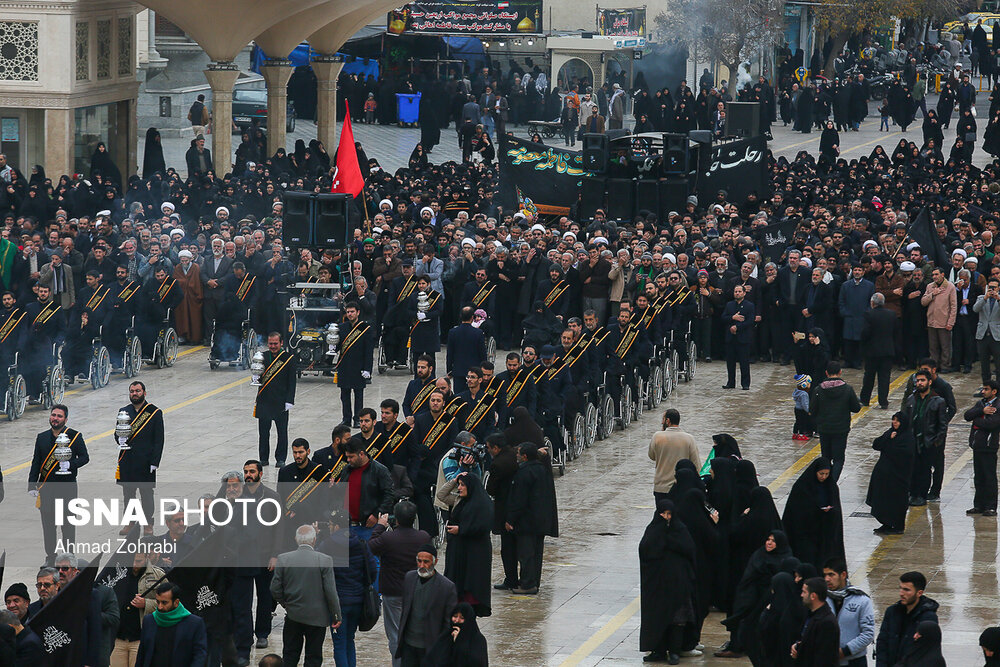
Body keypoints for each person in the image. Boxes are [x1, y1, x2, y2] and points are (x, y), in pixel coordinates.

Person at [369, 501, 431, 667]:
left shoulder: (389, 538)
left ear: (396, 519)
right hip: (418, 591)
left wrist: (380, 526)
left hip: (393, 591)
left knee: (395, 634)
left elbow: (371, 546)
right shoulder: (423, 537)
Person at [270, 525, 342, 667]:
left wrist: (286, 603)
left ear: (296, 539)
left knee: (290, 655)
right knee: (314, 657)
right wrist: (336, 614)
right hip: (318, 617)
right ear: (314, 540)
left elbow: (275, 588)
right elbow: (330, 591)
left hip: (293, 614)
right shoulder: (325, 560)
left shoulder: (284, 559)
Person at [27, 404, 88, 564]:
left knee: (67, 525)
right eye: (53, 415)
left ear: (65, 419)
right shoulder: (42, 437)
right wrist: (32, 484)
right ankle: (51, 557)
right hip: (47, 489)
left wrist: (71, 464)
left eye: (59, 416)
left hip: (67, 488)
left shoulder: (74, 436)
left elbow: (84, 457)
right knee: (48, 527)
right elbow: (36, 462)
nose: (55, 418)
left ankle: (68, 557)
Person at [639, 498, 697, 665]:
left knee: (677, 619)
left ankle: (674, 652)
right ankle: (658, 651)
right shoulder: (653, 530)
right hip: (657, 584)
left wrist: (669, 542)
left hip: (678, 584)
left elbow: (689, 550)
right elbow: (646, 550)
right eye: (663, 514)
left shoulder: (680, 530)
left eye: (669, 514)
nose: (666, 517)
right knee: (657, 618)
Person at [505, 442, 558, 595]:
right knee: (536, 554)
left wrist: (510, 519)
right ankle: (534, 581)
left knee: (526, 554)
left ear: (525, 456)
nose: (517, 455)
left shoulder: (523, 473)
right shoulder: (542, 470)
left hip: (526, 522)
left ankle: (527, 584)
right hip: (540, 520)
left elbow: (519, 500)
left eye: (519, 453)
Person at [396, 544, 458, 667]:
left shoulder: (447, 587)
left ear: (435, 562)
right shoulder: (409, 578)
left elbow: (448, 622)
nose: (422, 565)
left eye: (426, 562)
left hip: (430, 647)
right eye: (419, 561)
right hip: (409, 645)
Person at [116, 381, 164, 536]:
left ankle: (148, 524)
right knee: (128, 495)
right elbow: (117, 432)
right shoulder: (124, 411)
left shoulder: (154, 412)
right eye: (131, 391)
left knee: (146, 494)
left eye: (137, 391)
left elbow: (159, 440)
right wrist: (119, 440)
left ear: (144, 392)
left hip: (145, 462)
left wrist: (155, 462)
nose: (134, 394)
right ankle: (130, 522)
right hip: (127, 460)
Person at [443, 473, 494, 617]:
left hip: (475, 552)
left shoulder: (482, 503)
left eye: (462, 485)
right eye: (458, 484)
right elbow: (441, 495)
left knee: (472, 583)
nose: (459, 488)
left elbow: (483, 526)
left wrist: (461, 529)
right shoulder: (462, 501)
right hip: (460, 550)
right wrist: (454, 480)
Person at [781, 457, 845, 569]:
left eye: (826, 474)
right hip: (806, 533)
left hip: (824, 531)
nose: (823, 477)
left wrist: (830, 511)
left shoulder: (831, 487)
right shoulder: (802, 487)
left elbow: (836, 508)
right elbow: (796, 512)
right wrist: (816, 510)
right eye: (821, 473)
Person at [902, 370, 949, 507]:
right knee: (913, 468)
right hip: (913, 440)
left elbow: (942, 424)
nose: (919, 383)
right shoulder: (911, 398)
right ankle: (913, 493)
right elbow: (906, 418)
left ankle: (922, 494)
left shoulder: (938, 401)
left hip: (928, 441)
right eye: (918, 380)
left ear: (929, 382)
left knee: (925, 469)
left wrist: (937, 441)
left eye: (922, 380)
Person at [112, 548, 166, 667]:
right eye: (132, 560)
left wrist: (146, 603)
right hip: (118, 639)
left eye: (138, 561)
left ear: (147, 557)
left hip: (140, 638)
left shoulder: (158, 575)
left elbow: (169, 604)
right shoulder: (118, 574)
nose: (134, 565)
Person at [810, 362, 861, 482]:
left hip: (824, 428)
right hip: (841, 429)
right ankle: (832, 482)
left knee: (826, 457)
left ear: (826, 373)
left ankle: (825, 480)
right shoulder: (848, 389)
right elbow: (856, 408)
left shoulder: (818, 390)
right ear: (840, 372)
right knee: (838, 459)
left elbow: (812, 410)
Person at [135, 582, 208, 667]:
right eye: (158, 602)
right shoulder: (149, 620)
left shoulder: (194, 623)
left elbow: (199, 655)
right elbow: (142, 653)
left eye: (164, 602)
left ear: (176, 602)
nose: (160, 607)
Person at [874, 572, 939, 667]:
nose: (901, 593)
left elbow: (924, 651)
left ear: (919, 593)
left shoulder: (928, 617)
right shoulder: (892, 612)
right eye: (900, 588)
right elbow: (882, 643)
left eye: (906, 590)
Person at [866, 412, 915, 534]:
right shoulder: (890, 433)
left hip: (898, 477)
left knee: (896, 501)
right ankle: (886, 523)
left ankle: (897, 526)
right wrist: (888, 438)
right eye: (893, 420)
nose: (894, 423)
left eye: (897, 421)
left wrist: (888, 444)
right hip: (884, 474)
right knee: (883, 499)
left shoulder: (907, 438)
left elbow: (900, 453)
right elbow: (876, 444)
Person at [822, 558, 875, 667]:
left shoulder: (861, 600)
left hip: (854, 661)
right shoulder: (822, 599)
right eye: (825, 575)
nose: (827, 579)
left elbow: (868, 634)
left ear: (843, 575)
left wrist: (845, 651)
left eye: (831, 575)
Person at [254, 332, 296, 467]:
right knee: (263, 433)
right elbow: (257, 374)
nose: (272, 346)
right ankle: (263, 458)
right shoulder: (262, 357)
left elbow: (292, 382)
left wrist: (290, 400)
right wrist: (254, 378)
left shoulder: (288, 358)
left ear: (281, 343)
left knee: (282, 433)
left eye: (275, 344)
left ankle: (281, 459)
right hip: (264, 401)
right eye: (270, 344)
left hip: (280, 402)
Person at [964, 380, 1000, 517]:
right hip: (977, 445)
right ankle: (978, 505)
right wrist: (981, 411)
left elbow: (992, 424)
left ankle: (991, 506)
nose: (983, 392)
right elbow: (967, 415)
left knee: (989, 477)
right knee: (978, 477)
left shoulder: (998, 405)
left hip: (989, 446)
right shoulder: (981, 404)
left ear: (994, 391)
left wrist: (976, 420)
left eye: (986, 389)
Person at [648, 408, 701, 500]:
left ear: (668, 421)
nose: (662, 422)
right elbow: (696, 464)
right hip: (682, 487)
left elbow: (652, 456)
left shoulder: (657, 436)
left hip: (661, 487)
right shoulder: (689, 439)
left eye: (663, 419)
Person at [336, 303, 374, 428]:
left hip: (359, 367)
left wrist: (368, 369)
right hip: (345, 366)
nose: (350, 314)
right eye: (348, 312)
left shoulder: (365, 328)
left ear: (358, 312)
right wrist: (331, 346)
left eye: (352, 311)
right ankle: (346, 418)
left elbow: (369, 351)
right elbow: (338, 347)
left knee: (359, 396)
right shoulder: (341, 327)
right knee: (344, 396)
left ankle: (358, 419)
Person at [422, 602, 489, 667]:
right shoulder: (446, 636)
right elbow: (433, 659)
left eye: (462, 618)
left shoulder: (478, 640)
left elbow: (477, 663)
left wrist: (459, 641)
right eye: (455, 616)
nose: (457, 620)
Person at [792, 577, 840, 666]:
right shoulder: (810, 614)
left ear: (813, 596)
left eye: (804, 592)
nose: (801, 595)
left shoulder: (827, 623)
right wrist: (797, 646)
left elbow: (824, 658)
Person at [859, 293, 896, 408]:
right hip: (887, 350)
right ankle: (883, 401)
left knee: (869, 376)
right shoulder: (891, 314)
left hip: (872, 351)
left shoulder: (869, 314)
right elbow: (895, 332)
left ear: (872, 303)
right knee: (884, 377)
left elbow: (865, 333)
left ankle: (865, 399)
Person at [921, 268, 957, 372]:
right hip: (932, 321)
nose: (934, 277)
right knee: (933, 347)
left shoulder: (950, 287)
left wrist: (951, 322)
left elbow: (953, 306)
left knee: (945, 346)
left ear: (942, 274)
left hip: (944, 321)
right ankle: (934, 365)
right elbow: (923, 302)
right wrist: (932, 294)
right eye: (933, 275)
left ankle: (945, 365)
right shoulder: (930, 286)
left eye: (936, 274)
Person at [446, 306, 486, 395]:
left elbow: (450, 353)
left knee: (459, 397)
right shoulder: (478, 333)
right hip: (474, 371)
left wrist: (449, 370)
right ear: (472, 317)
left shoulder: (453, 332)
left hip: (458, 370)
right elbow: (482, 353)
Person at [722, 284, 755, 389]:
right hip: (730, 338)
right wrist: (733, 317)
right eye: (736, 291)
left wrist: (737, 327)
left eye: (740, 291)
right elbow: (723, 318)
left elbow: (750, 321)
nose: (737, 293)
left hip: (743, 337)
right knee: (730, 363)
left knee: (744, 362)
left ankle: (745, 384)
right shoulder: (729, 305)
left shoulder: (749, 305)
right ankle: (730, 382)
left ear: (744, 293)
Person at [975, 277, 1000, 386]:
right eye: (990, 287)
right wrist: (985, 298)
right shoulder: (981, 297)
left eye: (994, 287)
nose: (992, 289)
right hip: (983, 335)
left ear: (998, 288)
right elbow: (975, 309)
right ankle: (986, 387)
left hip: (996, 335)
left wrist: (998, 299)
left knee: (998, 364)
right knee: (984, 365)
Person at [793, 374, 813, 440]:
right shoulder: (804, 394)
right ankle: (801, 434)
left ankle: (795, 433)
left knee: (797, 422)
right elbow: (805, 404)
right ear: (804, 385)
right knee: (802, 422)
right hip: (802, 410)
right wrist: (808, 411)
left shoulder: (797, 392)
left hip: (796, 409)